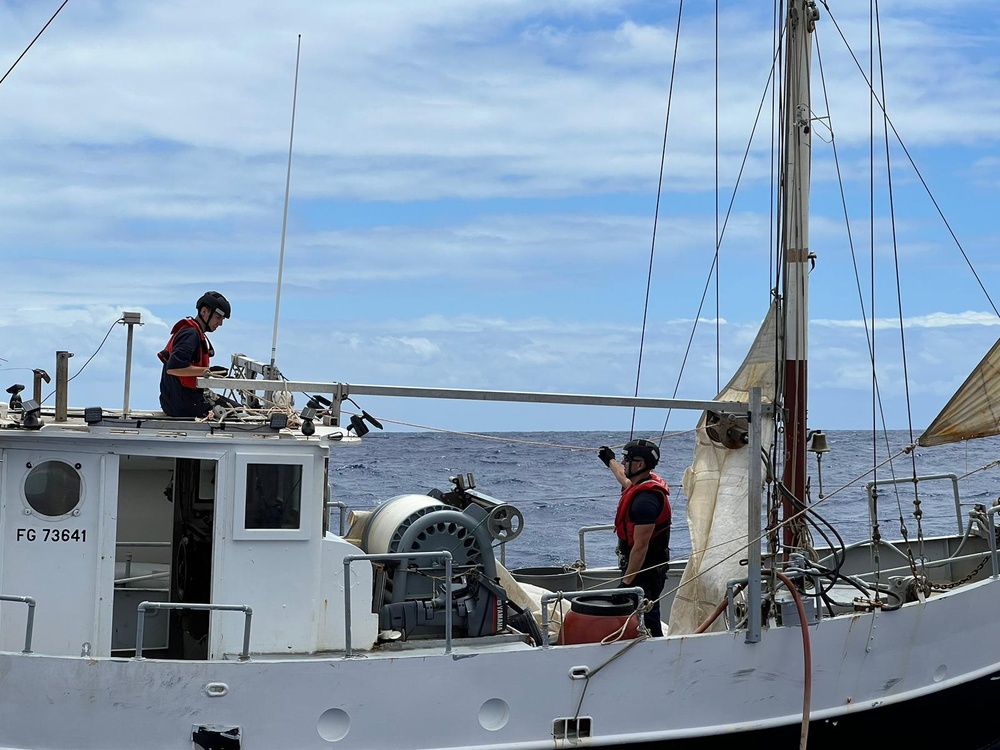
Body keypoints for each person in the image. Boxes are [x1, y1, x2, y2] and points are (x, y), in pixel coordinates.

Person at [598, 438, 671, 637]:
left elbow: (641, 546)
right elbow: (623, 478)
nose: (623, 463)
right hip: (637, 566)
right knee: (641, 614)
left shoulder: (646, 501)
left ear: (639, 465)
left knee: (647, 614)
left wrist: (627, 583)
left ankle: (655, 649)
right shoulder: (639, 483)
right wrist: (609, 460)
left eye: (626, 459)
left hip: (646, 570)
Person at [158, 291, 231, 417]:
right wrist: (208, 371)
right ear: (204, 312)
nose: (220, 323)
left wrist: (210, 372)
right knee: (238, 413)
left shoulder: (194, 332)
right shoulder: (190, 335)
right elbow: (174, 368)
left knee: (233, 408)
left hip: (178, 401)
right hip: (184, 405)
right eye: (218, 318)